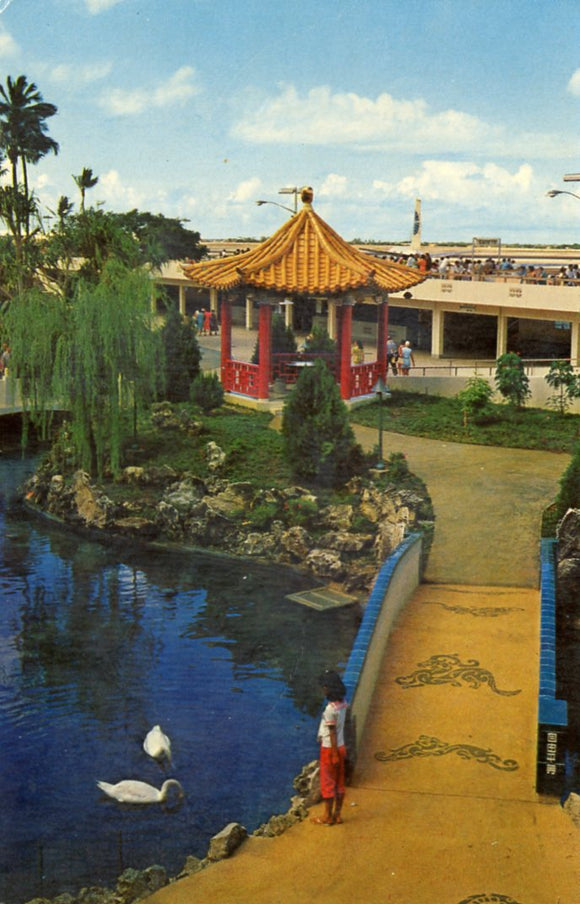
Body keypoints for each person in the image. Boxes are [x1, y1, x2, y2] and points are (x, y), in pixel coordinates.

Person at [311, 669, 349, 826]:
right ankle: (337, 815)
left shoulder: (330, 710)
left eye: (324, 687)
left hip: (329, 749)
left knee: (327, 783)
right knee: (339, 783)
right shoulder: (343, 704)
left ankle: (327, 816)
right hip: (341, 747)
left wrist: (333, 754)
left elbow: (331, 732)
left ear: (328, 688)